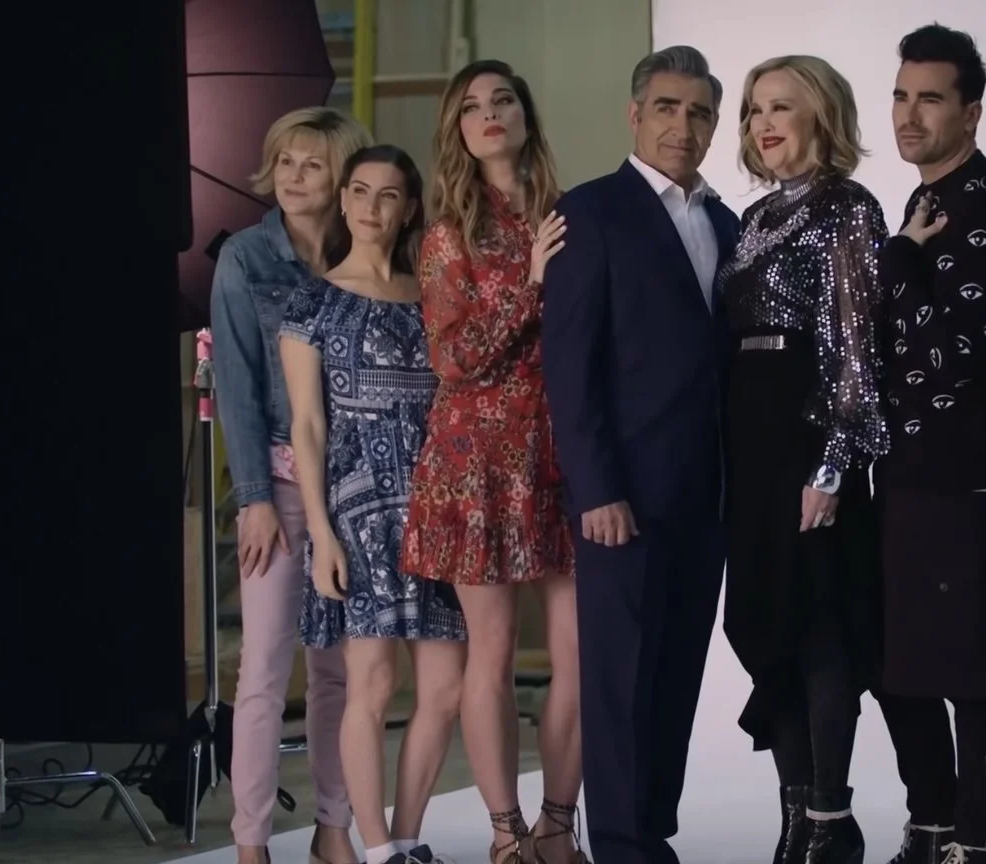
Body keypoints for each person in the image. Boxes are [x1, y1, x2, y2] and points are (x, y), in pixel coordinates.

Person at [539, 45, 740, 864]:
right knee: (619, 683)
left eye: (698, 112)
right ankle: (621, 846)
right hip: (621, 498)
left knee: (675, 678)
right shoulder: (590, 212)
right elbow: (569, 363)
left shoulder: (728, 224)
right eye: (666, 107)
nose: (682, 126)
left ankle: (651, 835)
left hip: (707, 496)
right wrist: (596, 488)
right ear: (634, 115)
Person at [400, 59, 586, 864]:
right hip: (477, 460)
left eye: (503, 99)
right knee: (495, 652)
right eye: (472, 105)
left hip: (563, 450)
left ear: (525, 115)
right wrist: (532, 284)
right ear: (458, 130)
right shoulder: (449, 234)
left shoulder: (568, 214)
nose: (490, 113)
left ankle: (558, 827)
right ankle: (506, 833)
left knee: (582, 652)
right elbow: (454, 357)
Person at [871, 25, 986, 864]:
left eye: (929, 98)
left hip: (971, 485)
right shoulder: (928, 201)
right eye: (901, 96)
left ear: (970, 114)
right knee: (897, 667)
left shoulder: (984, 207)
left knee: (974, 676)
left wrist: (897, 262)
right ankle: (934, 825)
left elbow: (951, 357)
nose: (909, 114)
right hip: (911, 475)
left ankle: (978, 844)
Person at [719, 53, 889, 864]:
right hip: (749, 444)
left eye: (781, 106)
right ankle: (794, 816)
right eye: (755, 109)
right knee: (764, 625)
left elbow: (857, 347)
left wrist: (833, 465)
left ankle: (829, 818)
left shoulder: (847, 208)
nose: (764, 123)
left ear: (821, 112)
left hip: (806, 438)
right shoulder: (752, 217)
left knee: (819, 629)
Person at [279, 144, 468, 864]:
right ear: (343, 200)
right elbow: (306, 425)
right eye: (359, 191)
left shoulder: (433, 297)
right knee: (374, 682)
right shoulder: (313, 301)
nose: (370, 206)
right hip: (359, 510)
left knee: (445, 688)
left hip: (437, 507)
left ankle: (409, 837)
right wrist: (321, 533)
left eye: (388, 195)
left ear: (409, 208)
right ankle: (378, 848)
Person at [209, 105, 372, 864]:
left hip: (352, 490)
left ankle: (334, 827)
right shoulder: (244, 258)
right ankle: (251, 843)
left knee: (340, 671)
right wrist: (252, 503)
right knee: (264, 670)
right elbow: (237, 386)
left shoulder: (365, 251)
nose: (294, 177)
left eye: (312, 164)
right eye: (284, 161)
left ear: (341, 177)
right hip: (276, 489)